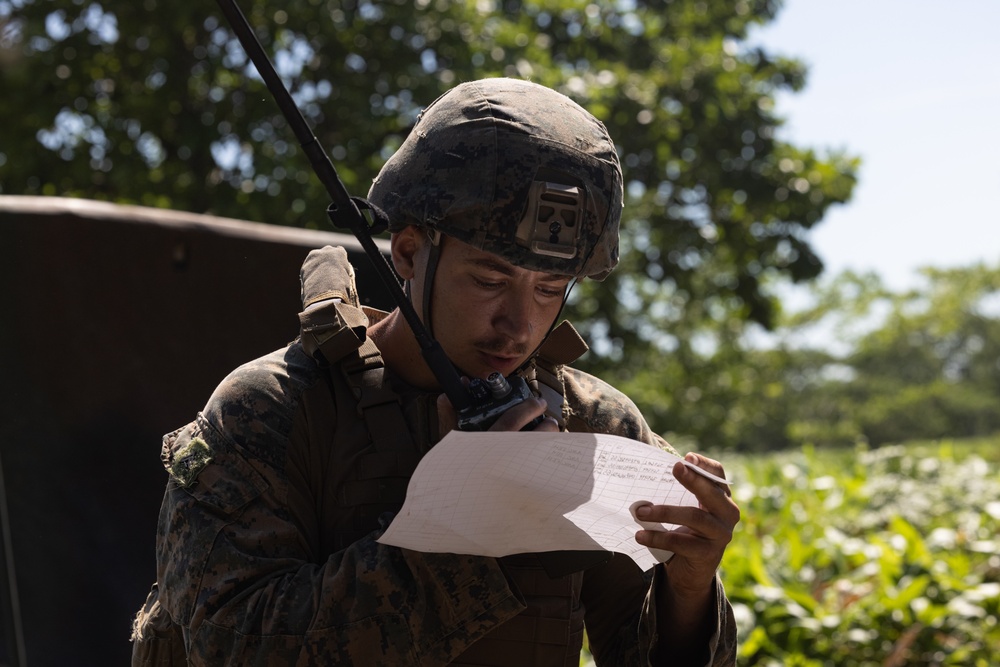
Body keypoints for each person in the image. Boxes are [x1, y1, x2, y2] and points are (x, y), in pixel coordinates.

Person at [130, 77, 740, 666]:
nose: (520, 325)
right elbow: (231, 645)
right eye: (489, 279)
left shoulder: (595, 426)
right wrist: (469, 532)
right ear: (410, 250)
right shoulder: (272, 409)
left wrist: (687, 593)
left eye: (551, 288)